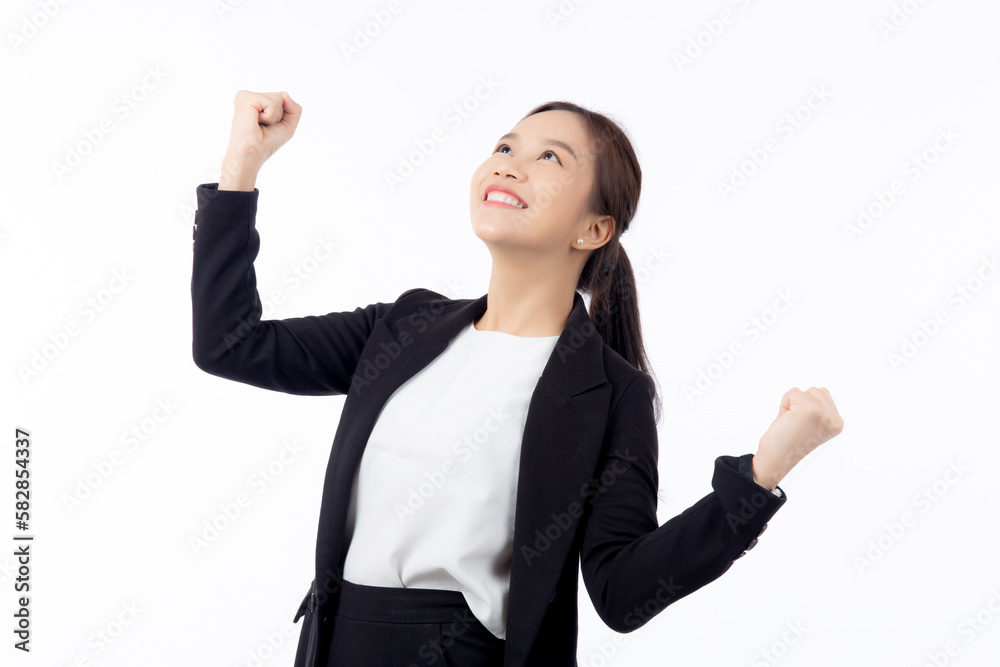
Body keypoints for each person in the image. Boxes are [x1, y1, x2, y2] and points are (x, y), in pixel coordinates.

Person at [190, 90, 844, 667]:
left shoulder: (611, 391)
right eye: (505, 146)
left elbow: (623, 589)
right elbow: (230, 344)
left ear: (595, 228)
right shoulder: (403, 327)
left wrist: (759, 476)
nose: (508, 162)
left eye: (549, 158)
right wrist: (241, 166)